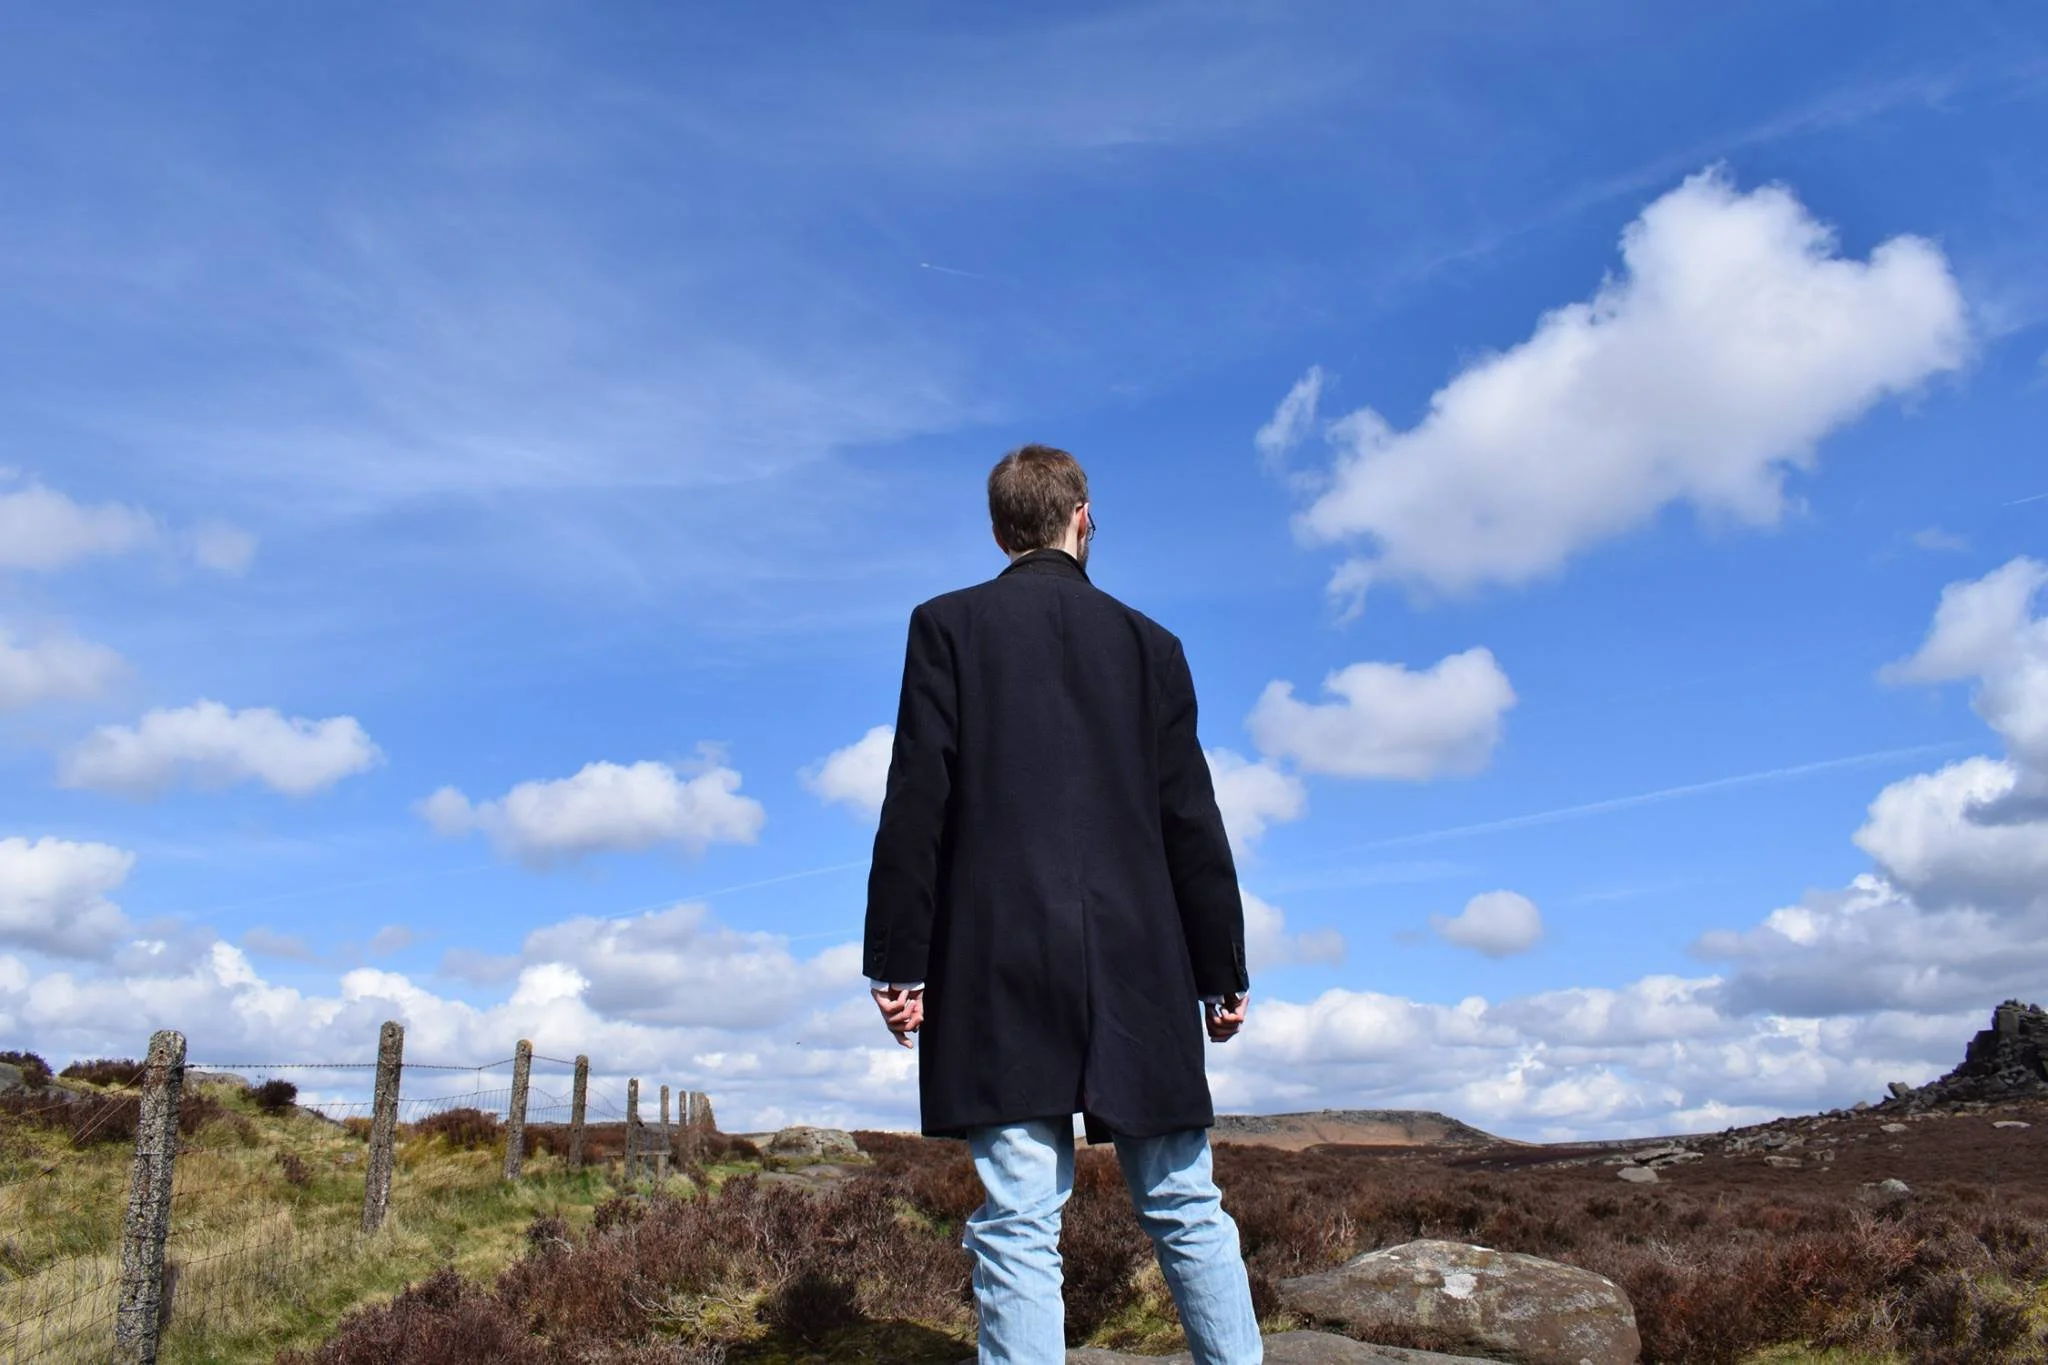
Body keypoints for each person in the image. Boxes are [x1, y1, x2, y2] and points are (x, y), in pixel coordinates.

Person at [863, 444, 1262, 1365]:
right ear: (1084, 516)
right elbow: (1189, 818)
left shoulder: (946, 627)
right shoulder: (1149, 645)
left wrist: (898, 961)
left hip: (995, 954)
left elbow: (917, 800)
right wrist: (1222, 970)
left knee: (1017, 1218)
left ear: (1001, 530)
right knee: (1185, 1202)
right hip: (1141, 958)